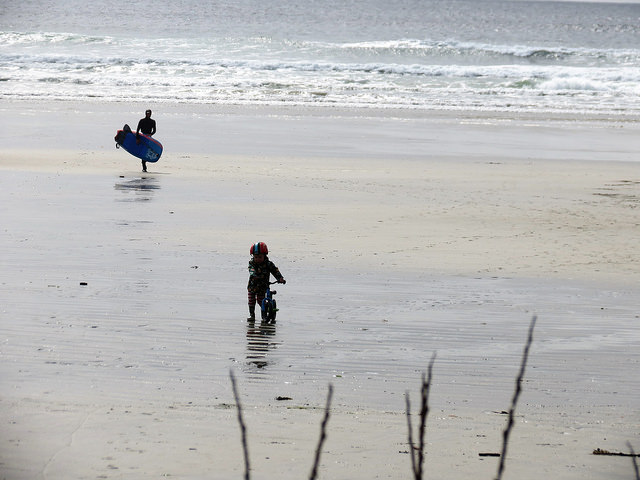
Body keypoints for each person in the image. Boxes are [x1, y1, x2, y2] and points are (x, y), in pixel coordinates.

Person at [247, 242, 286, 321]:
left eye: (260, 257)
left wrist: (280, 278)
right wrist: (255, 274)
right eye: (256, 257)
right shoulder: (252, 263)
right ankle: (252, 315)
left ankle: (265, 312)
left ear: (265, 256)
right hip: (252, 285)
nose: (258, 259)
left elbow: (275, 271)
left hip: (263, 286)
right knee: (251, 301)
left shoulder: (268, 264)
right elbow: (251, 270)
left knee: (260, 300)